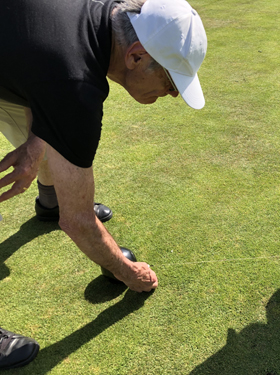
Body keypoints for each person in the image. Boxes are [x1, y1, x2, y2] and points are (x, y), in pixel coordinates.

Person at [0, 0, 207, 292]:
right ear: (135, 56)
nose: (172, 94)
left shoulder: (105, 15)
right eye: (170, 81)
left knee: (56, 137)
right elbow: (77, 221)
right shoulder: (77, 88)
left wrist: (38, 136)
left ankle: (49, 201)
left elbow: (43, 60)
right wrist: (129, 273)